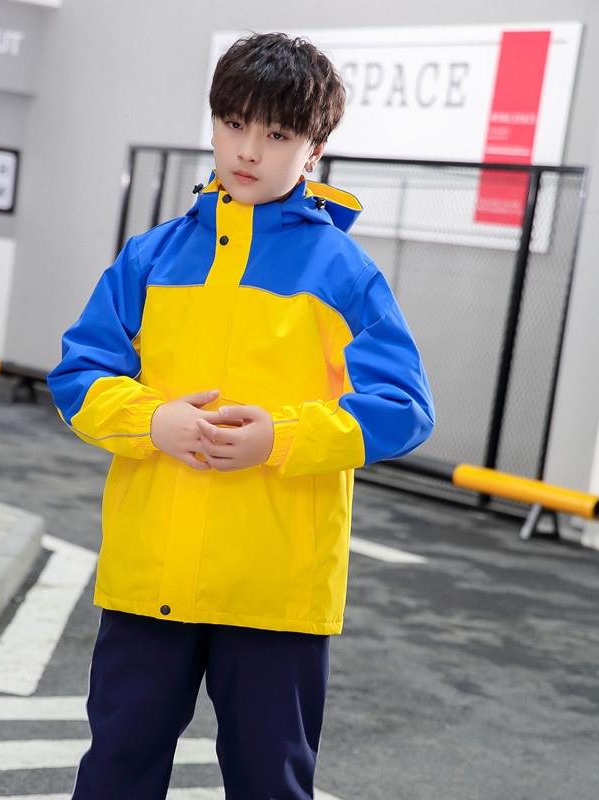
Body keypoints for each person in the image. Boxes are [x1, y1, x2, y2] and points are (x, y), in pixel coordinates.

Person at [47, 31, 434, 800]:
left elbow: (404, 409)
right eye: (233, 124)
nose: (248, 150)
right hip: (152, 576)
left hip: (275, 592)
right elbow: (78, 375)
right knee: (116, 771)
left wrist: (282, 438)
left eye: (277, 134)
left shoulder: (344, 274)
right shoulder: (151, 257)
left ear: (314, 150)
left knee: (269, 784)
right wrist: (151, 422)